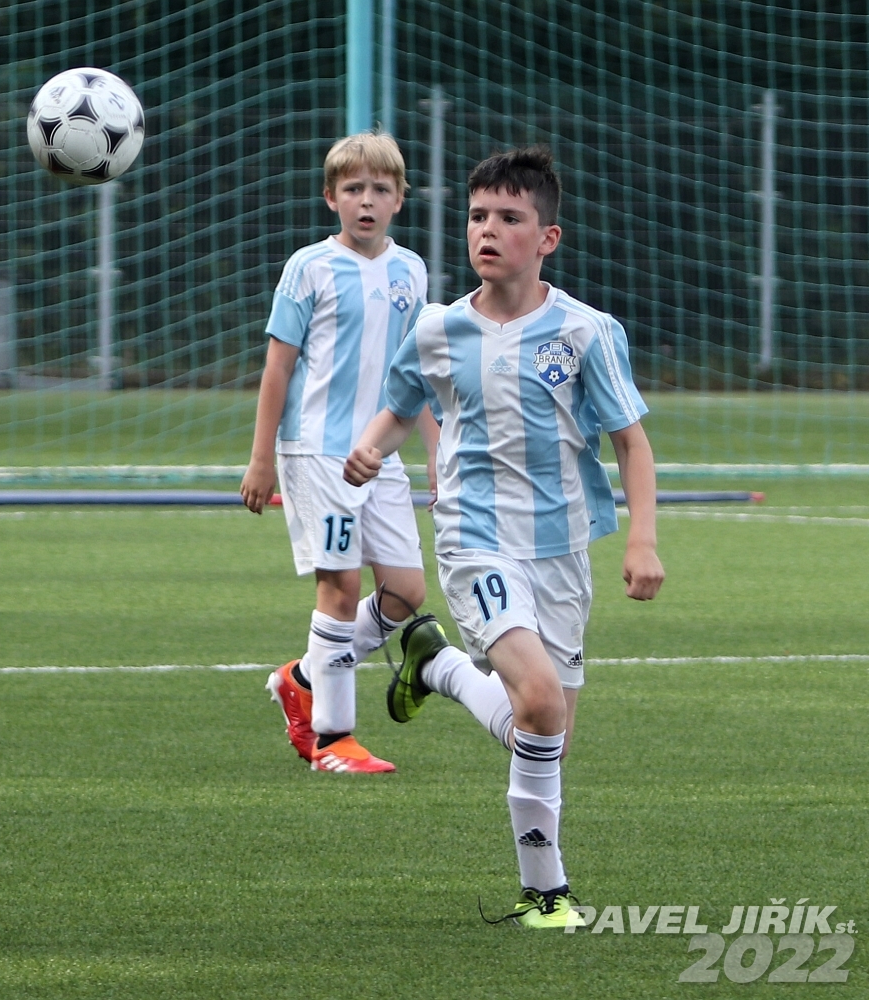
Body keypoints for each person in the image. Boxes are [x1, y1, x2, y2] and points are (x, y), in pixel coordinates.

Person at [346, 146, 663, 928]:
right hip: (473, 537)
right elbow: (400, 405)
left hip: (560, 549)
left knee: (544, 726)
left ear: (546, 238)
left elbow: (630, 443)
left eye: (508, 218)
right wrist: (370, 448)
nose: (487, 230)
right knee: (541, 701)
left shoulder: (586, 332)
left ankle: (440, 668)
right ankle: (544, 893)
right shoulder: (437, 328)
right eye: (477, 216)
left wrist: (641, 540)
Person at [240, 132, 440, 774]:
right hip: (317, 453)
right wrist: (261, 458)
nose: (367, 200)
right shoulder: (310, 267)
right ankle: (333, 738)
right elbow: (278, 367)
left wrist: (437, 454)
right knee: (341, 584)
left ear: (400, 199)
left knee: (405, 590)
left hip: (379, 455)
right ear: (331, 198)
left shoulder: (412, 271)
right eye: (354, 189)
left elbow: (416, 376)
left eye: (381, 189)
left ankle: (303, 676)